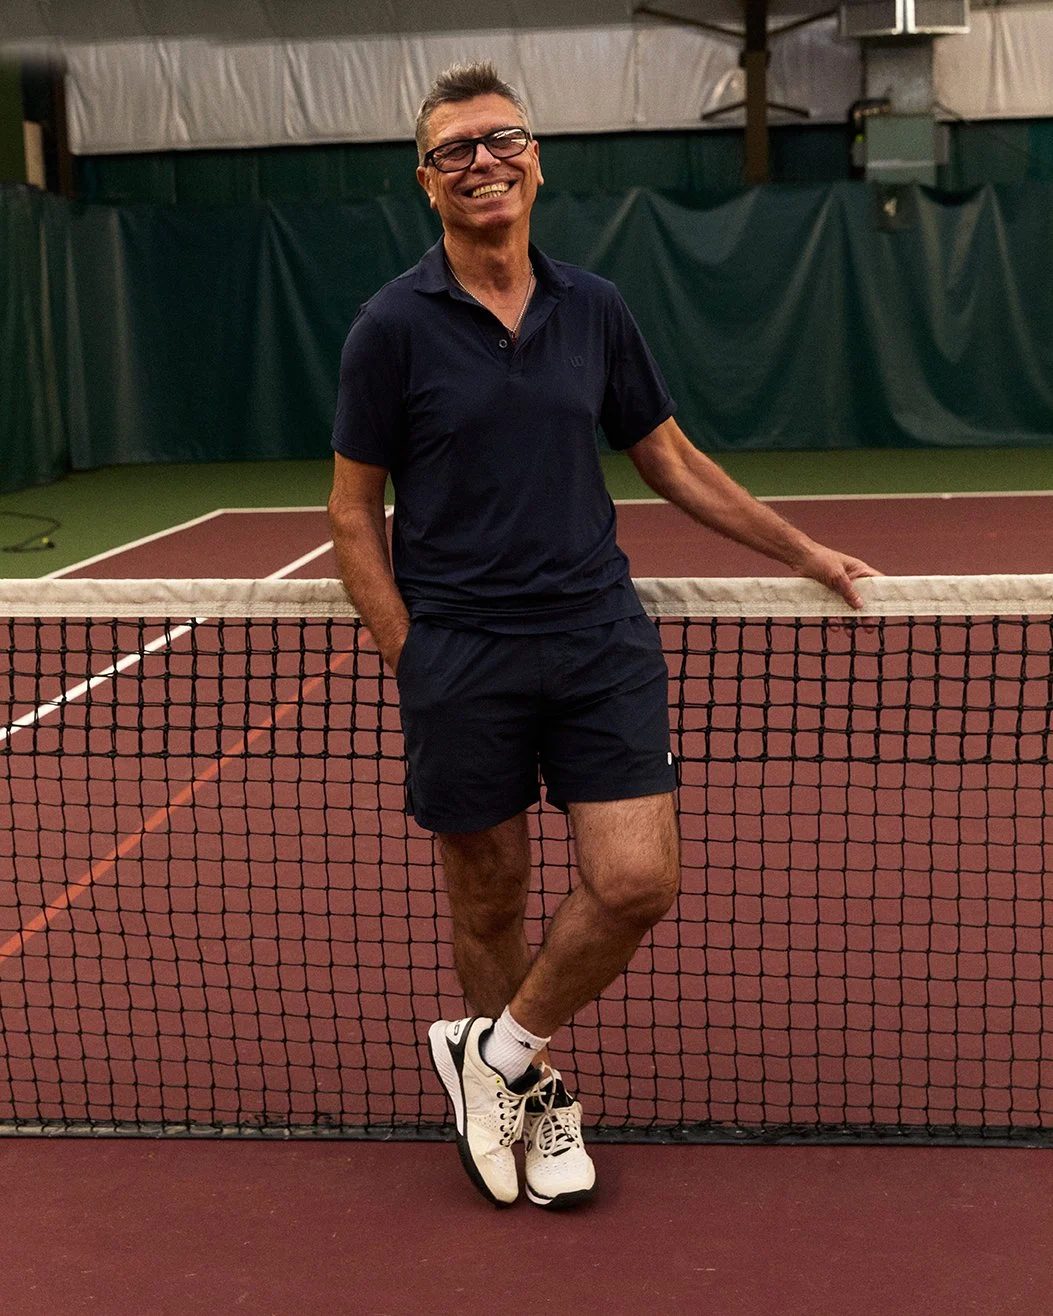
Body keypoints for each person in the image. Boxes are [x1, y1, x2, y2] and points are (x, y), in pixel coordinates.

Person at [328, 61, 879, 1209]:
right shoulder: (390, 324)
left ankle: (489, 1057)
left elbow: (668, 458)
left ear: (537, 159)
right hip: (461, 655)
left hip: (595, 640)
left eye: (501, 140)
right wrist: (409, 650)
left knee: (635, 879)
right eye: (454, 151)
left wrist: (807, 553)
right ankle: (530, 1095)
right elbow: (351, 506)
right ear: (427, 182)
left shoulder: (597, 307)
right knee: (490, 899)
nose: (482, 161)